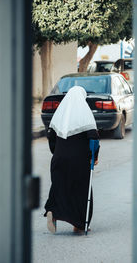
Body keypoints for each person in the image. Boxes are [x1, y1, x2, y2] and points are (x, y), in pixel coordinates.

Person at [44, 86, 100, 234]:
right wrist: (94, 156)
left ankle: (52, 211)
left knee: (58, 186)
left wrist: (57, 153)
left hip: (59, 159)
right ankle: (80, 224)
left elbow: (51, 137)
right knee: (81, 190)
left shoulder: (60, 114)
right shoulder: (85, 114)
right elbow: (93, 138)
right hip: (79, 161)